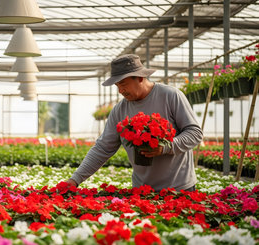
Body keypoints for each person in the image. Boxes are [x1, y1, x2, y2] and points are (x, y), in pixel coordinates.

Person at [66, 54, 203, 192]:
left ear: (140, 78)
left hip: (179, 188)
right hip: (142, 190)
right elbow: (103, 148)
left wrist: (165, 147)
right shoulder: (120, 110)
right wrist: (75, 179)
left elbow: (195, 133)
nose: (120, 91)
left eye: (123, 84)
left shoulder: (170, 96)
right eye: (117, 86)